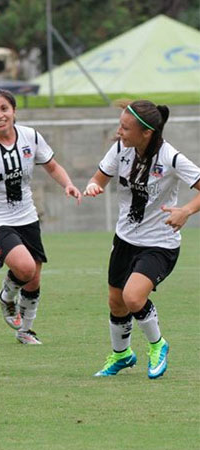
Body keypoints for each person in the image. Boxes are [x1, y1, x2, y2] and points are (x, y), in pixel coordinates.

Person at [84, 100, 199, 379]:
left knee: (133, 297)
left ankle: (158, 345)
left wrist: (185, 210)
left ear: (146, 132)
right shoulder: (121, 149)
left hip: (160, 243)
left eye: (125, 127)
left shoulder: (171, 157)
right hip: (125, 238)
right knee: (116, 302)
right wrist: (93, 186)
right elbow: (100, 177)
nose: (119, 131)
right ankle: (122, 355)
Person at [0, 89, 81, 345]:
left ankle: (25, 331)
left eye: (4, 109)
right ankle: (6, 297)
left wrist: (67, 184)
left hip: (26, 215)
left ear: (14, 111)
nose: (0, 115)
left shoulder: (30, 136)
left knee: (33, 278)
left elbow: (52, 166)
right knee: (24, 267)